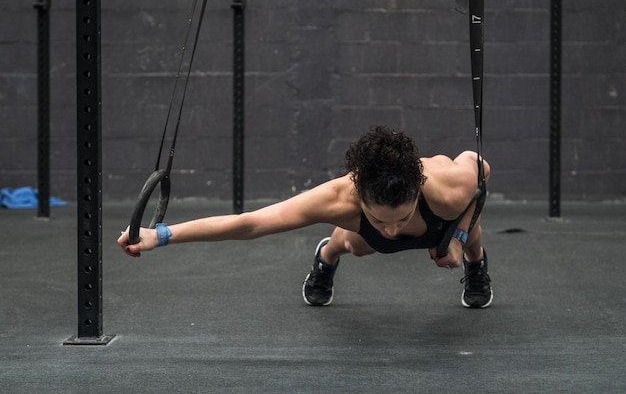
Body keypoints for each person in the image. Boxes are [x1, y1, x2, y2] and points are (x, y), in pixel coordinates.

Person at [118, 125, 492, 309]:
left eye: (400, 217)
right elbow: (252, 223)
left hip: (443, 223)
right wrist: (159, 235)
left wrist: (457, 239)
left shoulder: (447, 187)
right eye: (379, 220)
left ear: (418, 188)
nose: (392, 231)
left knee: (472, 232)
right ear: (359, 196)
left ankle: (475, 265)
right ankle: (326, 257)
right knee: (353, 244)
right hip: (357, 229)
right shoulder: (337, 199)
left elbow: (482, 172)